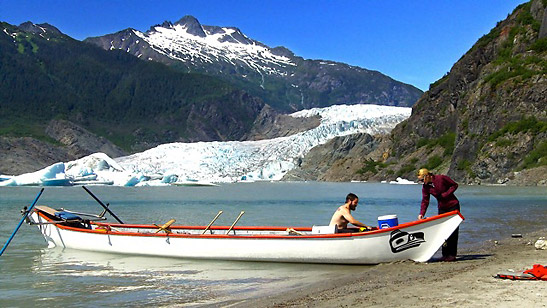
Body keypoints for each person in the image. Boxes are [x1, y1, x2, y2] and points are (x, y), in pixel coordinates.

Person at [417, 168, 461, 262]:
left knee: (453, 231)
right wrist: (421, 213)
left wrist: (446, 194)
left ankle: (452, 255)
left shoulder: (441, 178)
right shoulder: (426, 187)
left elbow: (454, 185)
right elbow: (425, 201)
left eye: (422, 180)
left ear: (427, 176)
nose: (422, 182)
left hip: (453, 206)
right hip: (442, 208)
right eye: (420, 180)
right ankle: (445, 254)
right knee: (442, 231)